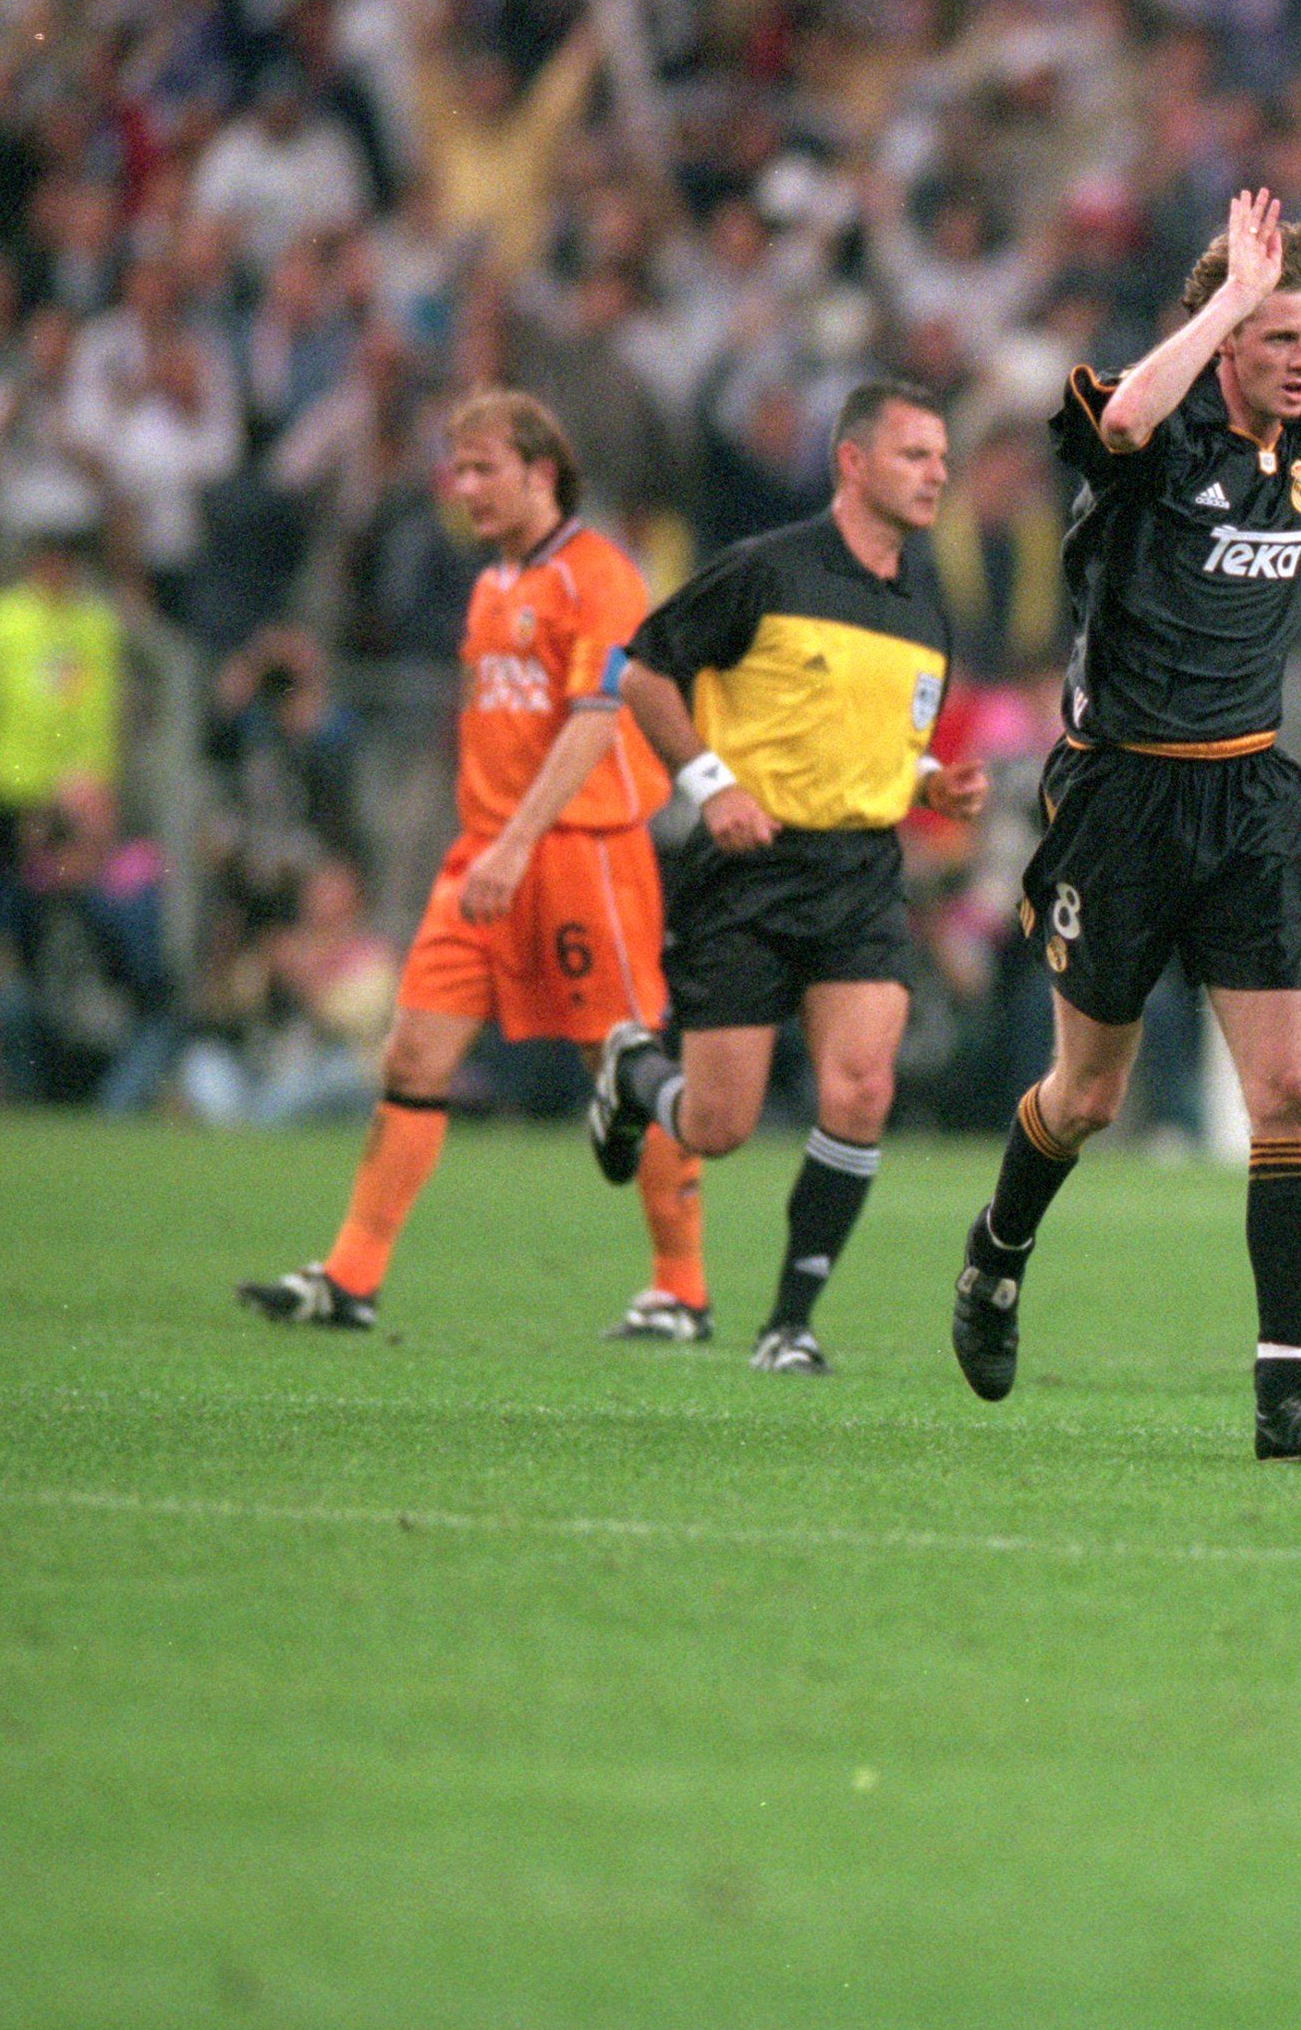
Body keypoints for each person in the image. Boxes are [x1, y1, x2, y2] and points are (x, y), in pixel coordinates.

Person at [948, 189, 1301, 1463]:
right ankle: (997, 1252)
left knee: (1288, 1091)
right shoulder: (1161, 431)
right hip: (1119, 798)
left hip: (1248, 794)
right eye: (1278, 339)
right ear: (1230, 335)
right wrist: (1230, 304)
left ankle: (1284, 1395)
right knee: (1087, 1095)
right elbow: (1125, 414)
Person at [238, 390, 706, 1338]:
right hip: (484, 857)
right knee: (412, 1055)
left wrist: (519, 840)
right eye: (458, 471)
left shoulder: (602, 575)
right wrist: (491, 841)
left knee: (625, 1067)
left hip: (581, 852)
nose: (466, 489)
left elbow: (594, 723)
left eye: (485, 469)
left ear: (542, 472)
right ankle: (350, 1277)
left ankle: (682, 1289)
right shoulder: (491, 584)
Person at [587, 384, 989, 1376]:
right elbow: (640, 672)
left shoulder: (924, 615)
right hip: (748, 867)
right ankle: (636, 1070)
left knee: (861, 1088)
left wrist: (933, 782)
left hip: (860, 872)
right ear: (852, 463)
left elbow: (884, 750)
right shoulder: (766, 569)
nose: (938, 472)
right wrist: (710, 782)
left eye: (942, 457)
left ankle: (789, 1322)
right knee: (719, 1126)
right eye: (914, 455)